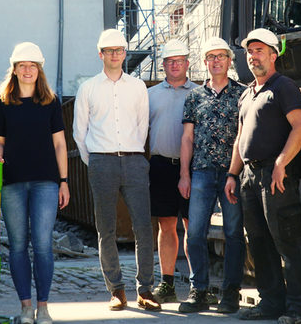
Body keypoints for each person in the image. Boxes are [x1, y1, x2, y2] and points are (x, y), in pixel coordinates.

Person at [224, 28, 301, 324]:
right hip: (249, 176)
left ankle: (299, 309)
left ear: (274, 55)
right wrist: (232, 174)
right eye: (250, 51)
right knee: (259, 242)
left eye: (259, 50)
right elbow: (239, 139)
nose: (253, 56)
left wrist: (281, 163)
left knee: (287, 240)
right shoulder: (247, 94)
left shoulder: (283, 86)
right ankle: (271, 303)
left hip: (275, 175)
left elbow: (300, 127)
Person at [72, 28, 161, 312]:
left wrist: (131, 153)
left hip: (134, 161)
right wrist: (96, 160)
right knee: (105, 229)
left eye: (119, 50)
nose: (114, 55)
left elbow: (142, 124)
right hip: (102, 161)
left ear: (125, 53)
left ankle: (145, 290)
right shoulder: (88, 88)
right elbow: (79, 132)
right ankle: (116, 290)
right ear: (100, 54)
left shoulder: (137, 87)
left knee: (144, 227)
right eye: (109, 50)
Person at [0, 42, 70, 324]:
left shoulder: (50, 101)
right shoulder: (2, 101)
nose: (27, 70)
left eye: (32, 65)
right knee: (19, 245)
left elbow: (60, 144)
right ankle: (25, 308)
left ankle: (43, 307)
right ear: (14, 69)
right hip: (12, 182)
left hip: (46, 182)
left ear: (39, 70)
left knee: (43, 245)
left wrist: (64, 181)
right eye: (22, 65)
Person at [177, 36, 246, 314]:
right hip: (202, 173)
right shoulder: (194, 96)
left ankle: (231, 293)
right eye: (211, 57)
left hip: (232, 173)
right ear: (204, 63)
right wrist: (184, 174)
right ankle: (199, 291)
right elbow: (187, 138)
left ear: (230, 61)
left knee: (233, 234)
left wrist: (235, 171)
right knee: (194, 234)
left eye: (221, 56)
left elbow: (244, 136)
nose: (216, 61)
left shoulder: (242, 93)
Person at [147, 39, 197, 303]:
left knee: (192, 226)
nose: (175, 64)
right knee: (166, 225)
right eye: (170, 61)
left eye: (180, 60)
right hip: (161, 166)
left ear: (187, 63)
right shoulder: (150, 95)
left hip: (193, 167)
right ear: (163, 65)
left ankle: (196, 284)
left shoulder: (201, 93)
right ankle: (166, 283)